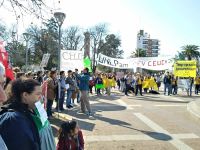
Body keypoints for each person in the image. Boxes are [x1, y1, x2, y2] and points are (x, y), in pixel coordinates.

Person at [0, 79, 41, 150]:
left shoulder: (22, 113)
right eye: (38, 94)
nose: (41, 97)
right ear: (25, 95)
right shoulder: (14, 121)